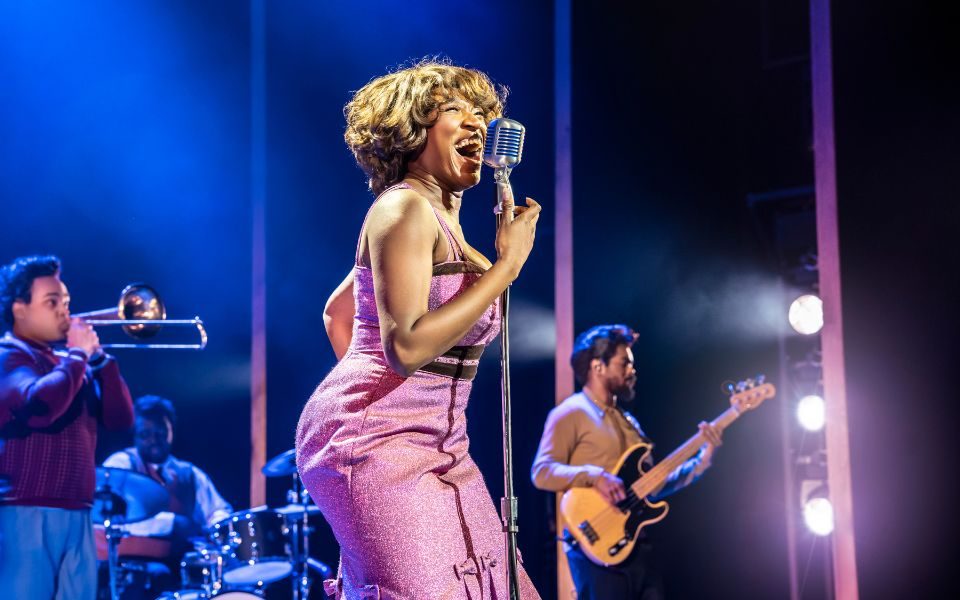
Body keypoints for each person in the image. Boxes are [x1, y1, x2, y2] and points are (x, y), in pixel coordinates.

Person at [295, 59, 542, 599]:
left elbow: (339, 313)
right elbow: (405, 347)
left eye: (481, 114)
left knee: (496, 584)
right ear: (411, 130)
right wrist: (506, 267)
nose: (477, 123)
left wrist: (397, 397)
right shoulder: (404, 207)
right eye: (455, 110)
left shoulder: (442, 222)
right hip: (377, 444)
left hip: (442, 443)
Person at [531, 324, 725, 599]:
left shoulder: (630, 422)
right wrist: (595, 476)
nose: (632, 370)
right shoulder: (570, 413)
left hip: (639, 548)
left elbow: (653, 487)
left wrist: (704, 456)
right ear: (598, 366)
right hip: (595, 550)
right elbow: (541, 472)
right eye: (624, 363)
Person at [0, 254, 134, 600]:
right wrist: (78, 357)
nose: (65, 312)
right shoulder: (9, 356)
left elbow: (121, 420)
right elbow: (39, 406)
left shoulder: (70, 364)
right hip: (25, 512)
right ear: (19, 309)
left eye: (66, 302)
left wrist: (101, 362)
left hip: (78, 513)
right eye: (52, 302)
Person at [98, 394, 233, 596]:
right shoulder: (121, 466)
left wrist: (216, 527)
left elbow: (218, 510)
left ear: (171, 430)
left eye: (160, 432)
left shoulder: (189, 474)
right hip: (129, 567)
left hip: (181, 565)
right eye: (145, 434)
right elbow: (111, 518)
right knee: (159, 576)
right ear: (135, 435)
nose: (154, 440)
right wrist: (170, 524)